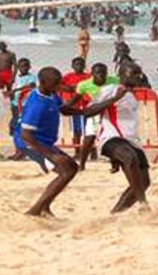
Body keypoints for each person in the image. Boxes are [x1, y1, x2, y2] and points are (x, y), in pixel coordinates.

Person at [82, 61, 152, 213]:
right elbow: (88, 112)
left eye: (139, 73)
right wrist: (114, 98)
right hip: (110, 138)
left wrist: (116, 158)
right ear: (121, 75)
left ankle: (116, 213)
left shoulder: (133, 96)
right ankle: (143, 203)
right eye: (134, 73)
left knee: (144, 182)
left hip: (131, 141)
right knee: (130, 157)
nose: (138, 76)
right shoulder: (109, 90)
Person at [16, 67, 80, 216]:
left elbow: (63, 109)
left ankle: (44, 208)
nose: (59, 87)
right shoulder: (37, 103)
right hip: (29, 142)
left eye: (60, 83)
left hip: (44, 141)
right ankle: (35, 211)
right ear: (43, 83)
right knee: (66, 170)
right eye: (56, 84)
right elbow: (25, 134)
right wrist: (51, 156)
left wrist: (83, 107)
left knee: (71, 167)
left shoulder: (50, 95)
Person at [65, 63, 119, 170]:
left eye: (104, 73)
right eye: (98, 73)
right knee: (89, 138)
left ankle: (115, 163)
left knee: (113, 137)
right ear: (92, 74)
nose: (101, 75)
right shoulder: (84, 85)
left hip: (110, 112)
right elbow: (74, 100)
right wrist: (64, 108)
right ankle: (82, 164)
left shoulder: (115, 80)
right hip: (95, 112)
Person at [60, 57, 91, 157]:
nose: (79, 66)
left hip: (86, 106)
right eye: (76, 64)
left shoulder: (88, 76)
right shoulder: (67, 77)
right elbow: (59, 86)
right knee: (76, 130)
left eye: (81, 64)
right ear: (72, 66)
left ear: (84, 66)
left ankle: (91, 151)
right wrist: (70, 88)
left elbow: (92, 88)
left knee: (89, 130)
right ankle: (77, 151)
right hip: (74, 107)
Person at [6, 58, 37, 158]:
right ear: (18, 68)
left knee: (21, 127)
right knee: (14, 127)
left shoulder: (32, 77)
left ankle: (22, 151)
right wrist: (10, 94)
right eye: (22, 66)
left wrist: (14, 91)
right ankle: (18, 150)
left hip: (26, 106)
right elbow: (10, 89)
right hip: (15, 105)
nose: (24, 68)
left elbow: (30, 86)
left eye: (26, 66)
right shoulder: (15, 78)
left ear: (29, 67)